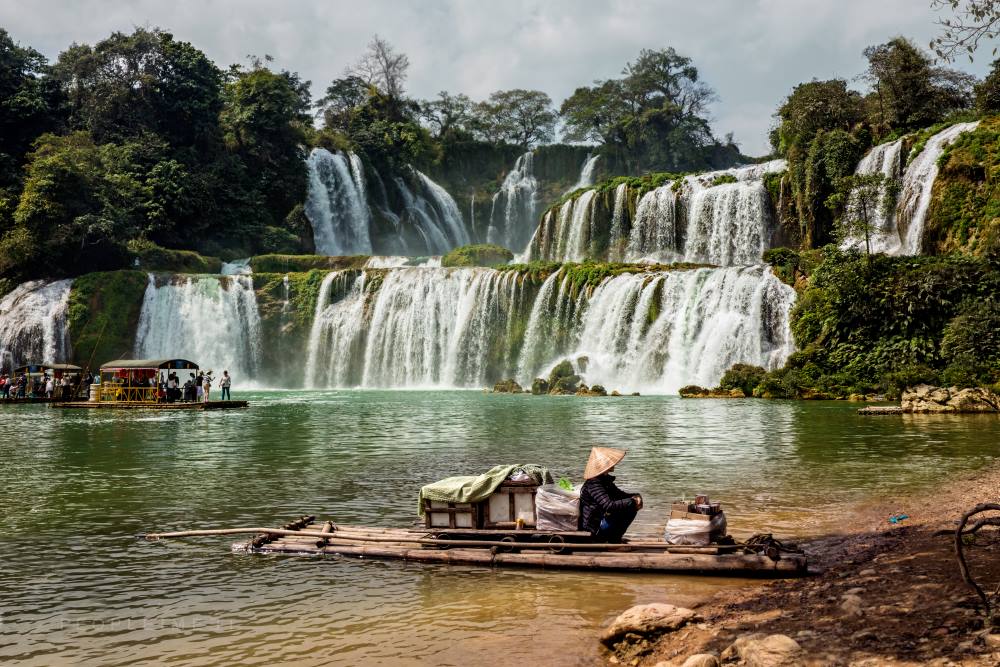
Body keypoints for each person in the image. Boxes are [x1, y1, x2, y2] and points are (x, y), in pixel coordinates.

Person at [578, 447, 643, 543]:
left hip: (601, 521)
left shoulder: (604, 480)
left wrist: (636, 496)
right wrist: (632, 501)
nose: (614, 464)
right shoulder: (594, 483)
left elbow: (620, 495)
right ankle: (613, 540)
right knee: (630, 506)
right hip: (593, 528)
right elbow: (608, 506)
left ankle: (614, 537)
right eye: (610, 462)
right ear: (604, 465)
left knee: (631, 504)